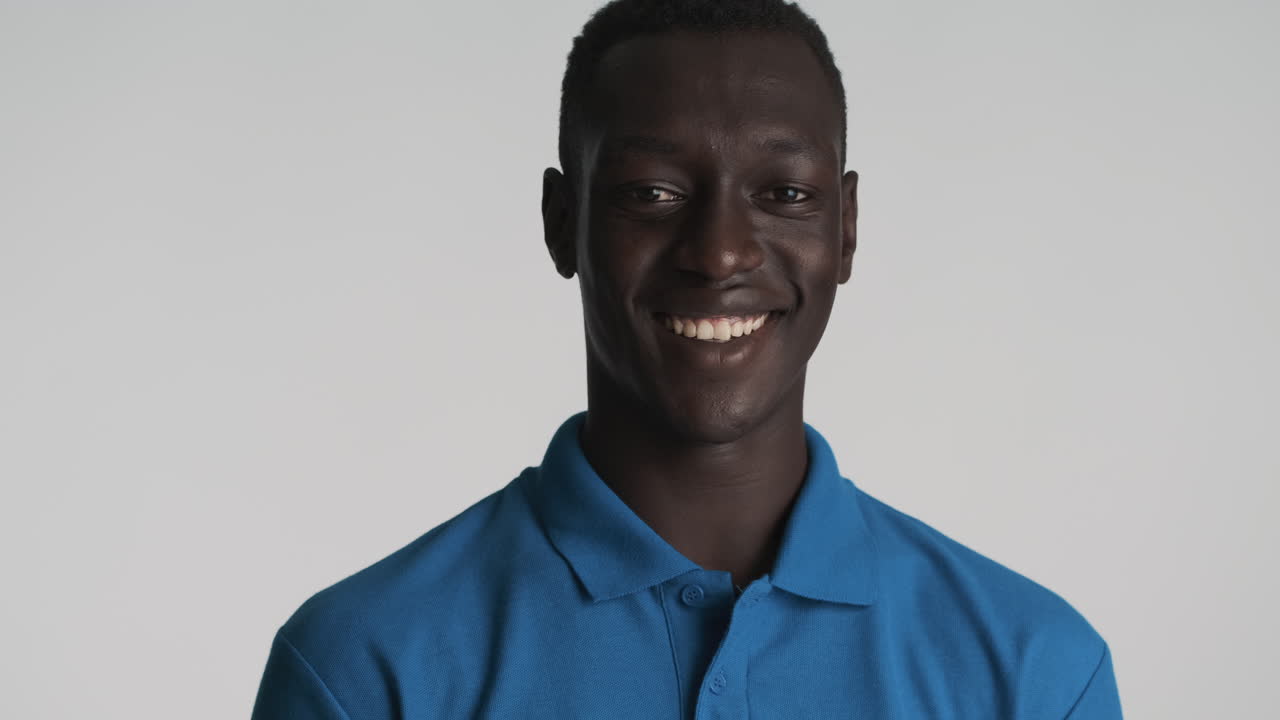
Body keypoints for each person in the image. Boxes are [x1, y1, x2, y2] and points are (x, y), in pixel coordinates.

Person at [250, 1, 1124, 717]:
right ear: (563, 223)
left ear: (846, 229)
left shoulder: (1035, 673)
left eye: (784, 194)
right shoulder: (364, 671)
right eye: (653, 194)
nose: (719, 253)